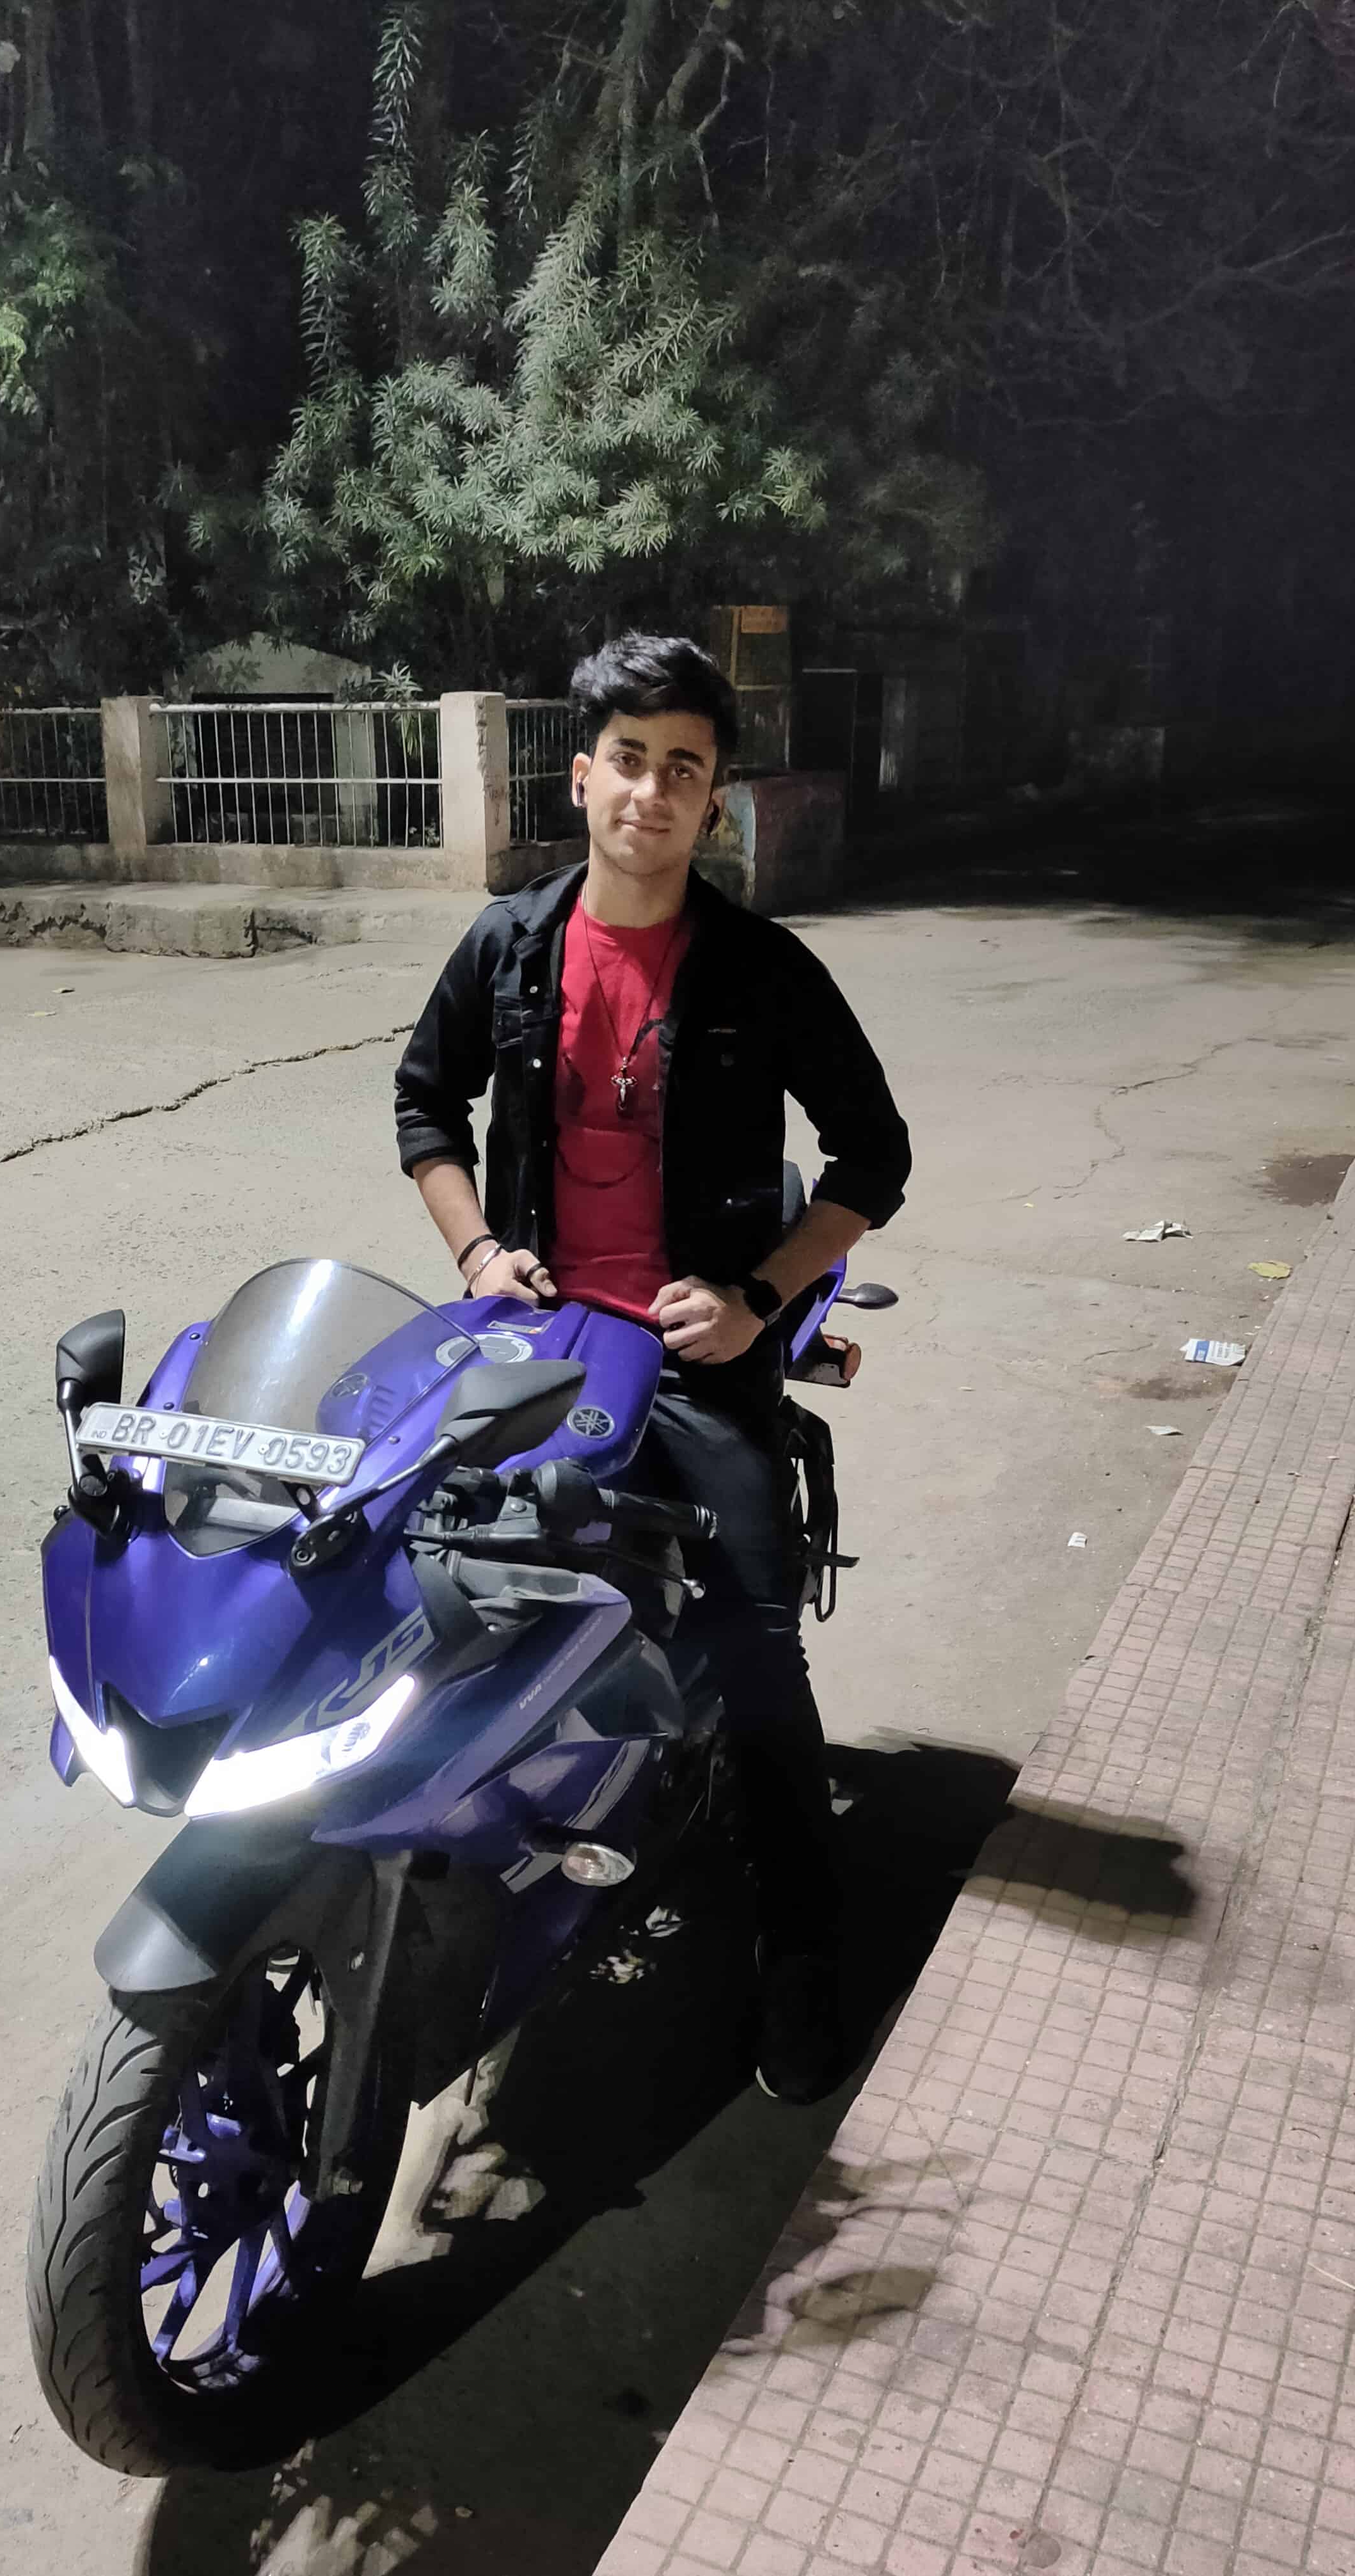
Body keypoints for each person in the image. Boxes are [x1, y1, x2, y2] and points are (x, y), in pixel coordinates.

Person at [393, 633, 911, 2101]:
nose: (652, 790)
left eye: (684, 766)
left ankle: (799, 1954)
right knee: (423, 1572)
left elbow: (875, 1157)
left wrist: (757, 1300)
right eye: (630, 759)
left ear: (713, 796)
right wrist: (477, 1252)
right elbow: (425, 1106)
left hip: (696, 1363)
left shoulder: (761, 968)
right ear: (582, 776)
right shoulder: (512, 943)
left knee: (756, 1644)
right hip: (537, 1338)